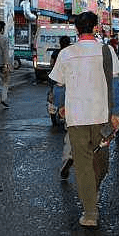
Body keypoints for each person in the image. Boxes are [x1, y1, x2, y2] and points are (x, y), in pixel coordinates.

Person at [49, 11, 119, 228]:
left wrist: (60, 106)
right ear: (96, 28)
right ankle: (91, 211)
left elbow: (58, 85)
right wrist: (116, 112)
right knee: (89, 164)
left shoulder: (70, 53)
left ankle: (91, 193)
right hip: (93, 118)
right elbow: (117, 84)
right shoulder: (105, 51)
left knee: (95, 165)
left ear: (76, 29)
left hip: (88, 118)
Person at [50, 36, 73, 180]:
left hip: (67, 96)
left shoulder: (59, 53)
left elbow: (58, 85)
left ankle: (68, 158)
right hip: (87, 101)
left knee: (70, 133)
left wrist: (60, 105)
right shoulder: (73, 53)